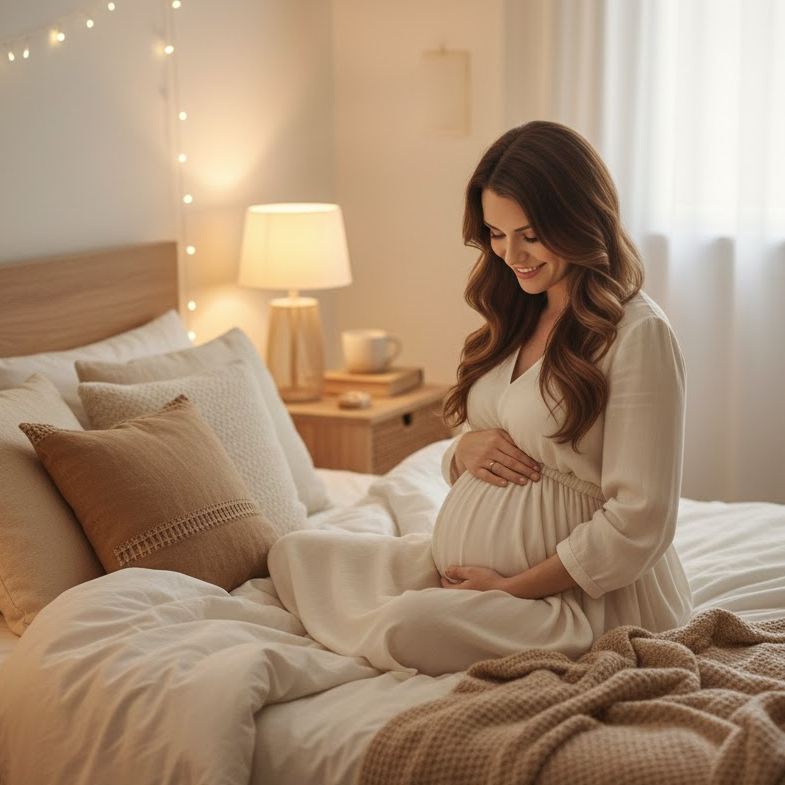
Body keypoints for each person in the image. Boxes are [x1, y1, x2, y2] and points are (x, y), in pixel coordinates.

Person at [268, 121, 692, 677]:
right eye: (495, 233)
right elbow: (479, 446)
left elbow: (643, 519)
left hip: (573, 601)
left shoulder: (636, 333)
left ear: (579, 218)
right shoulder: (518, 310)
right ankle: (445, 600)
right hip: (481, 579)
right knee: (296, 555)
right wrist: (461, 453)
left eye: (530, 234)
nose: (511, 254)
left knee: (405, 627)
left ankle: (442, 612)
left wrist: (510, 589)